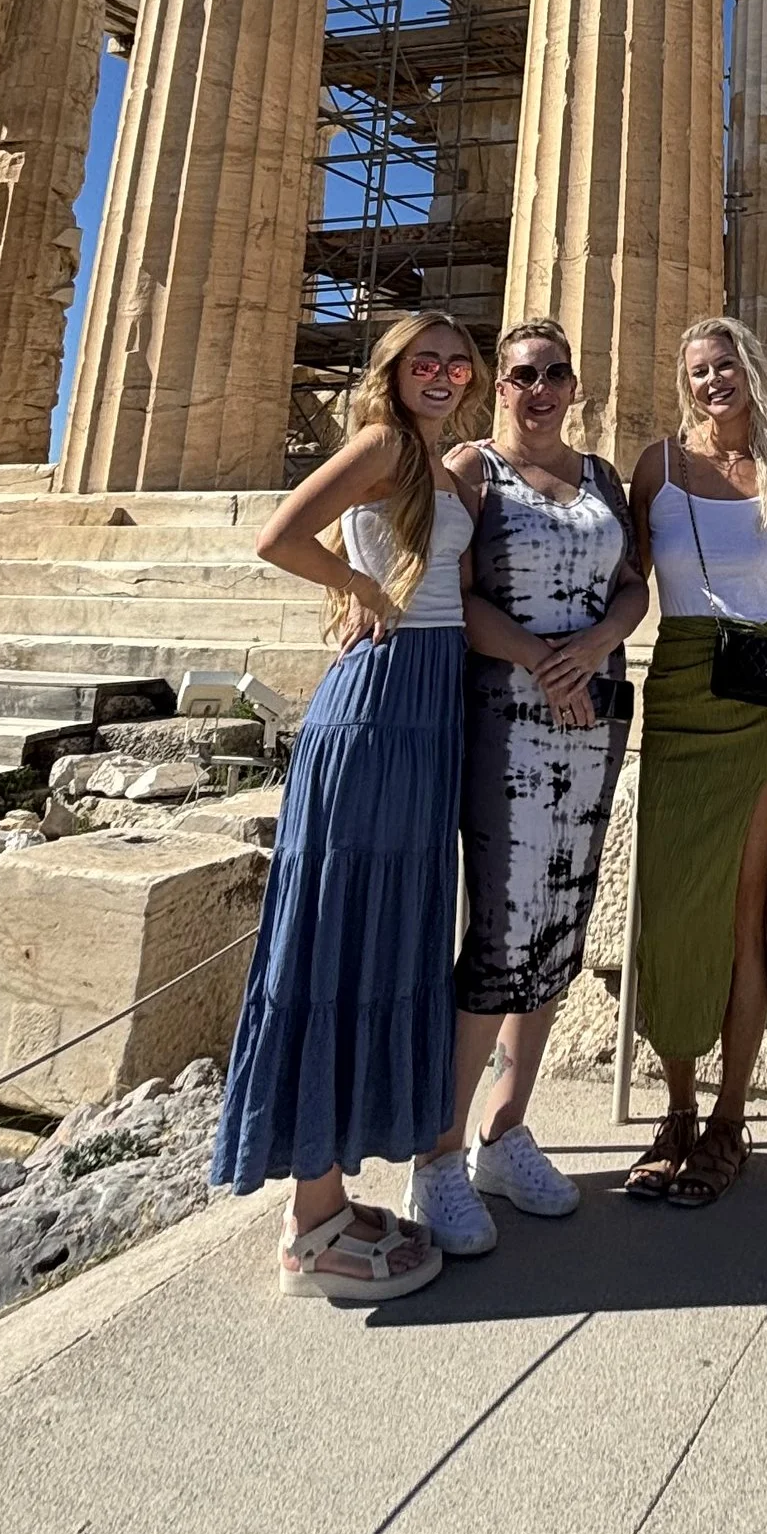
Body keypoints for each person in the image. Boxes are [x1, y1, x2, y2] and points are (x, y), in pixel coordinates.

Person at [211, 308, 488, 1302]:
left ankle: (327, 1193)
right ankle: (309, 1218)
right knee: (334, 934)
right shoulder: (378, 442)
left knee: (388, 936)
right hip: (375, 711)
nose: (444, 374)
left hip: (427, 709)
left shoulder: (438, 462)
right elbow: (279, 536)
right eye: (426, 361)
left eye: (459, 363)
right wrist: (360, 589)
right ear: (393, 370)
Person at [404, 316, 648, 1252]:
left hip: (594, 712)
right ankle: (438, 1156)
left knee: (560, 924)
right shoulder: (471, 469)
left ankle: (507, 1132)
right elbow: (453, 595)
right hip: (508, 714)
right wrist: (549, 659)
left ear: (573, 382)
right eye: (520, 375)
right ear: (494, 386)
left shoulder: (603, 477)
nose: (537, 388)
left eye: (552, 373)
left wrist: (594, 649)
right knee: (501, 932)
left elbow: (633, 581)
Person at [620, 316, 767, 1207]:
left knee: (743, 908)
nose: (712, 381)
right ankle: (677, 1108)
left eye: (725, 365)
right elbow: (623, 575)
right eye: (697, 369)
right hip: (681, 688)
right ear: (683, 381)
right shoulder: (656, 466)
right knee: (672, 907)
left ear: (751, 369)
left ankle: (730, 1118)